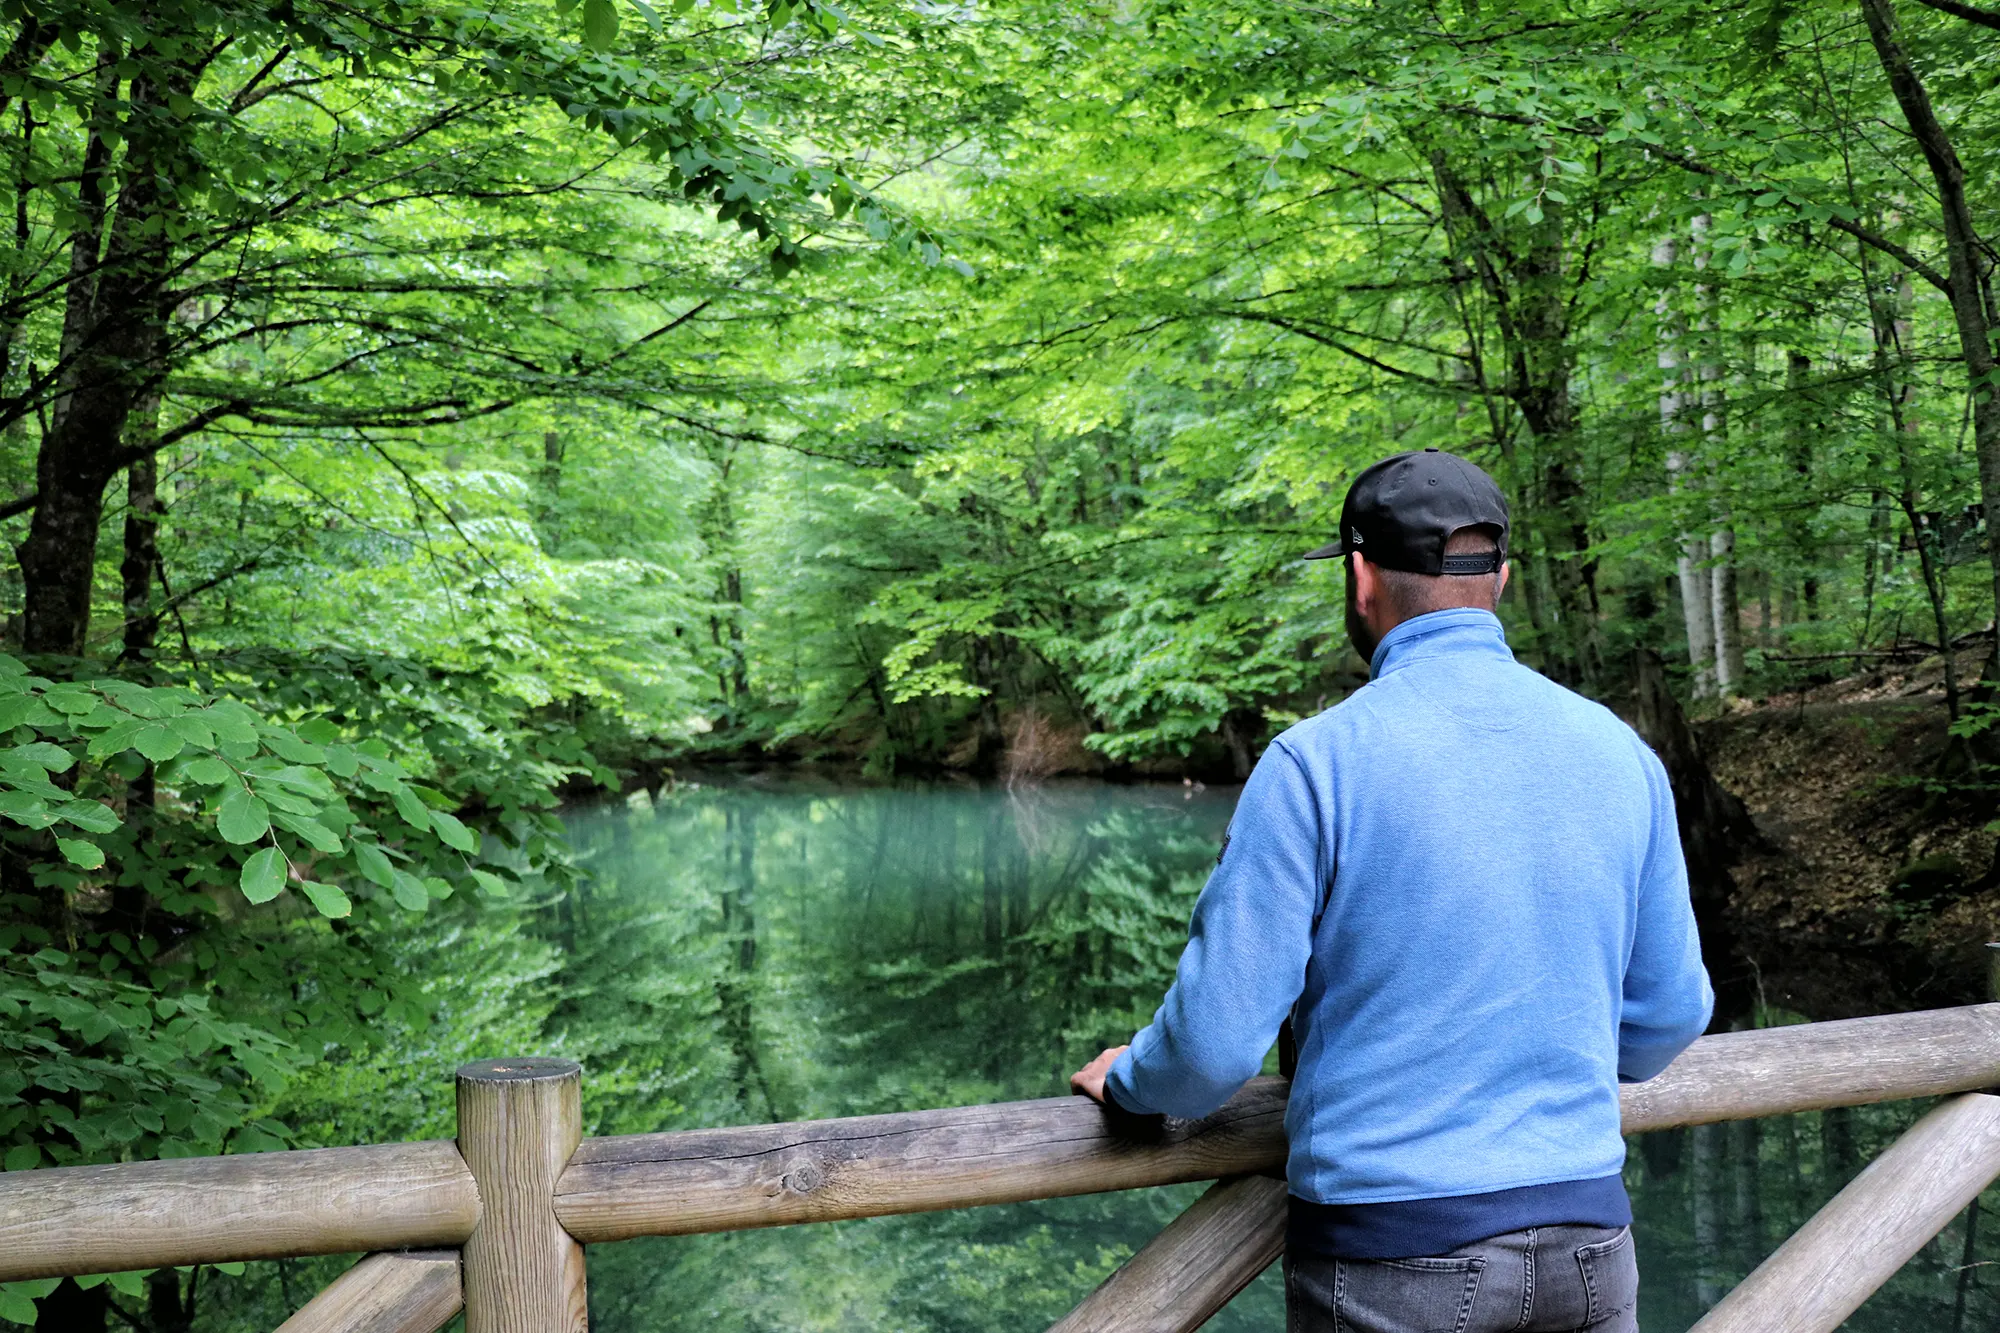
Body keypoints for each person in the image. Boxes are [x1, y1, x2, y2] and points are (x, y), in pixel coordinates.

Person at [1069, 448, 1713, 1333]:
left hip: (1394, 1254)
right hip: (1589, 1245)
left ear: (1362, 576)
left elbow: (1212, 1053)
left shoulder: (1315, 764)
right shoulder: (1620, 753)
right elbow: (1673, 1012)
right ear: (1504, 579)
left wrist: (1128, 1083)